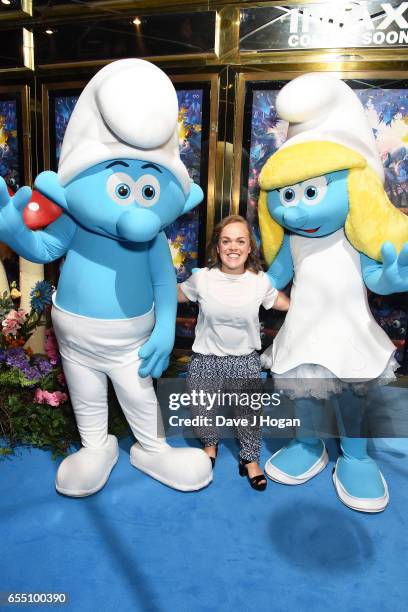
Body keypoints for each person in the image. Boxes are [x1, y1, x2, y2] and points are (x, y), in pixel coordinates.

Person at [177, 215, 290, 491]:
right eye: (226, 241)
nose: (233, 247)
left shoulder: (259, 282)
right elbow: (171, 294)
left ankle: (250, 460)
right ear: (217, 247)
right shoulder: (201, 278)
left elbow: (285, 304)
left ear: (250, 247)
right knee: (200, 410)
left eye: (240, 241)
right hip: (206, 360)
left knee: (249, 415)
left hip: (245, 361)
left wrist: (316, 301)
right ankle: (210, 444)